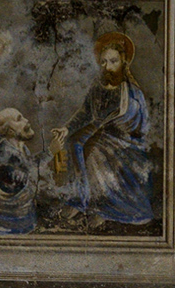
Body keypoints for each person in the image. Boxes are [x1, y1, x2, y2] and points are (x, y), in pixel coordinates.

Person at [50, 32, 154, 226]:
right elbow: (85, 112)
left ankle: (104, 208)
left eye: (113, 61)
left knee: (93, 148)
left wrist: (125, 122)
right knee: (74, 141)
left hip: (125, 140)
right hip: (99, 131)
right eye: (104, 62)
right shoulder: (98, 87)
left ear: (123, 62)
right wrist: (66, 128)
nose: (108, 67)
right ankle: (79, 199)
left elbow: (142, 126)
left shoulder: (132, 92)